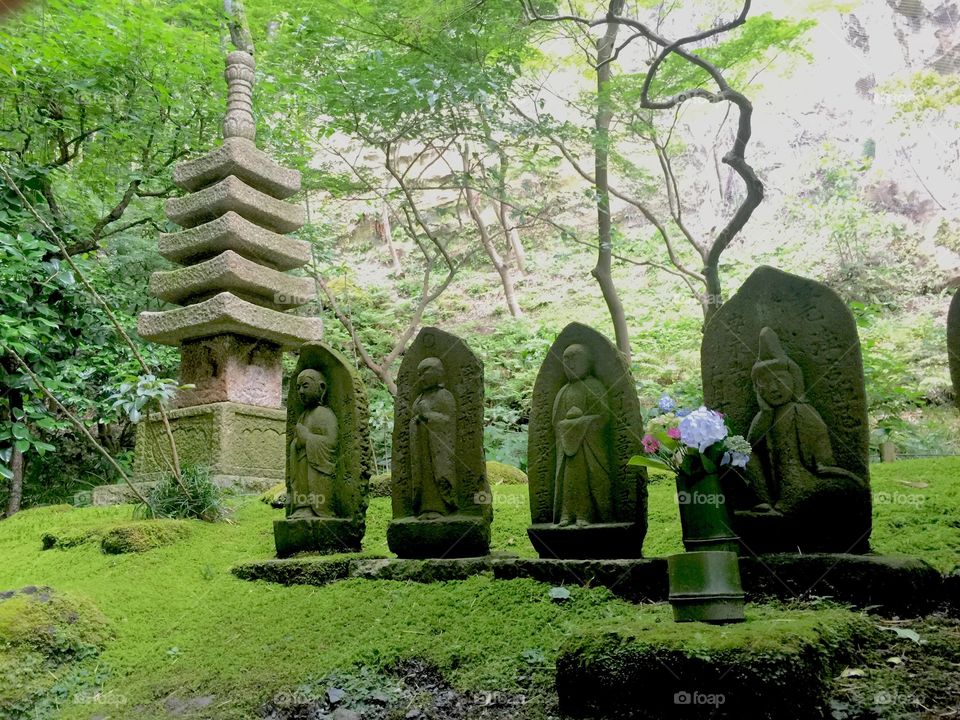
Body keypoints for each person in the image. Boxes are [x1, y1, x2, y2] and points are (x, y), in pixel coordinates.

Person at [744, 327, 867, 518]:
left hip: (804, 479)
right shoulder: (764, 416)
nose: (774, 388)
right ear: (757, 389)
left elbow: (821, 455)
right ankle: (766, 503)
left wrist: (824, 466)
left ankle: (787, 505)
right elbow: (750, 446)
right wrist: (765, 412)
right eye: (765, 384)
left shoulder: (801, 410)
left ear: (794, 380)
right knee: (744, 455)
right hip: (774, 485)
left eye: (780, 380)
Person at [552, 344, 612, 526]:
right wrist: (568, 424)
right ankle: (566, 513)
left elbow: (603, 417)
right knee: (568, 481)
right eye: (566, 360)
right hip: (568, 449)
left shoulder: (593, 386)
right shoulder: (563, 391)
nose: (570, 365)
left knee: (586, 479)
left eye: (575, 360)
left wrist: (580, 422)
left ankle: (585, 514)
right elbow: (556, 422)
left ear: (588, 363)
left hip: (588, 449)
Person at [409, 357, 458, 519]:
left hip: (437, 448)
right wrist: (416, 421)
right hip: (422, 447)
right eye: (419, 374)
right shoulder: (419, 399)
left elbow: (448, 420)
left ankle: (440, 508)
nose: (421, 378)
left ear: (437, 374)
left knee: (436, 476)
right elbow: (414, 419)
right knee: (423, 477)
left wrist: (428, 415)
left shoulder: (444, 396)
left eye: (425, 373)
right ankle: (424, 508)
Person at [288, 369, 338, 519]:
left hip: (317, 471)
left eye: (305, 386)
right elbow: (298, 442)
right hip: (302, 465)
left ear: (321, 387)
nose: (301, 391)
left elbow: (332, 444)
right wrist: (296, 444)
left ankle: (315, 509)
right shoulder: (303, 416)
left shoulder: (325, 414)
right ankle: (302, 506)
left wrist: (308, 438)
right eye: (298, 388)